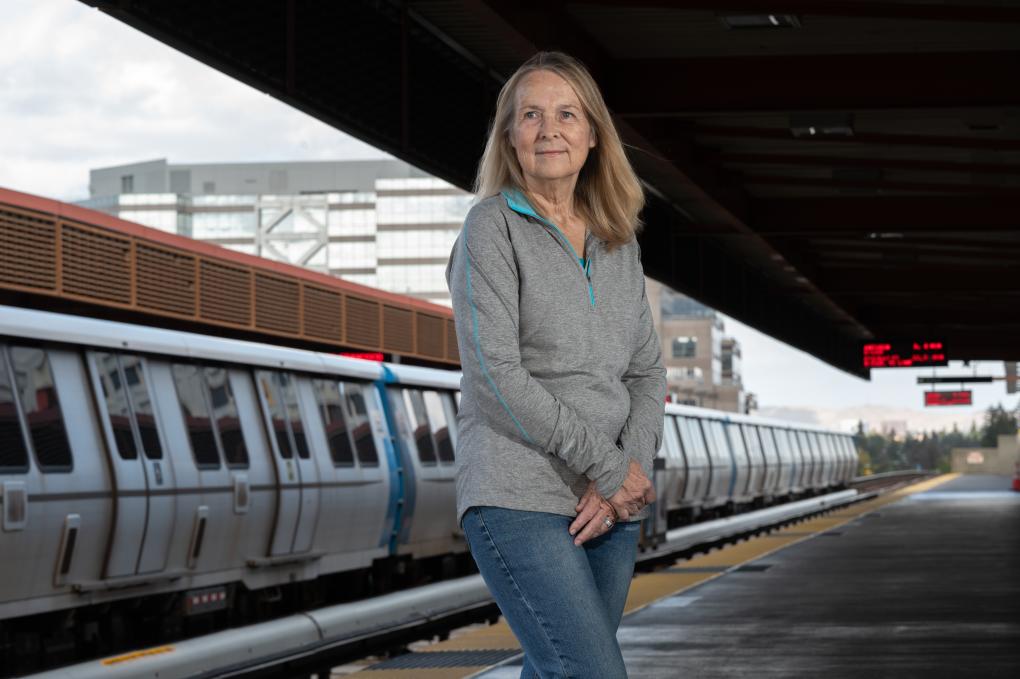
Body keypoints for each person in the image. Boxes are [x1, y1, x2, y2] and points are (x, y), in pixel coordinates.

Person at [446, 51, 666, 679]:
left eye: (567, 114)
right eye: (531, 115)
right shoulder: (490, 229)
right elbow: (495, 376)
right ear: (509, 136)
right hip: (518, 495)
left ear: (593, 135)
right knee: (593, 672)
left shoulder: (618, 242)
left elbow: (646, 374)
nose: (549, 129)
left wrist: (629, 470)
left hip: (609, 503)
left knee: (556, 671)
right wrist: (608, 465)